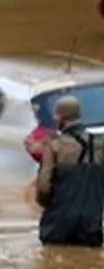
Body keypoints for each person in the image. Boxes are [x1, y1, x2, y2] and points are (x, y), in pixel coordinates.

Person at [33, 95, 104, 247]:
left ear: (60, 118)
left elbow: (43, 186)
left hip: (57, 224)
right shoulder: (100, 144)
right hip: (90, 225)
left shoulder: (55, 146)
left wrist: (50, 204)